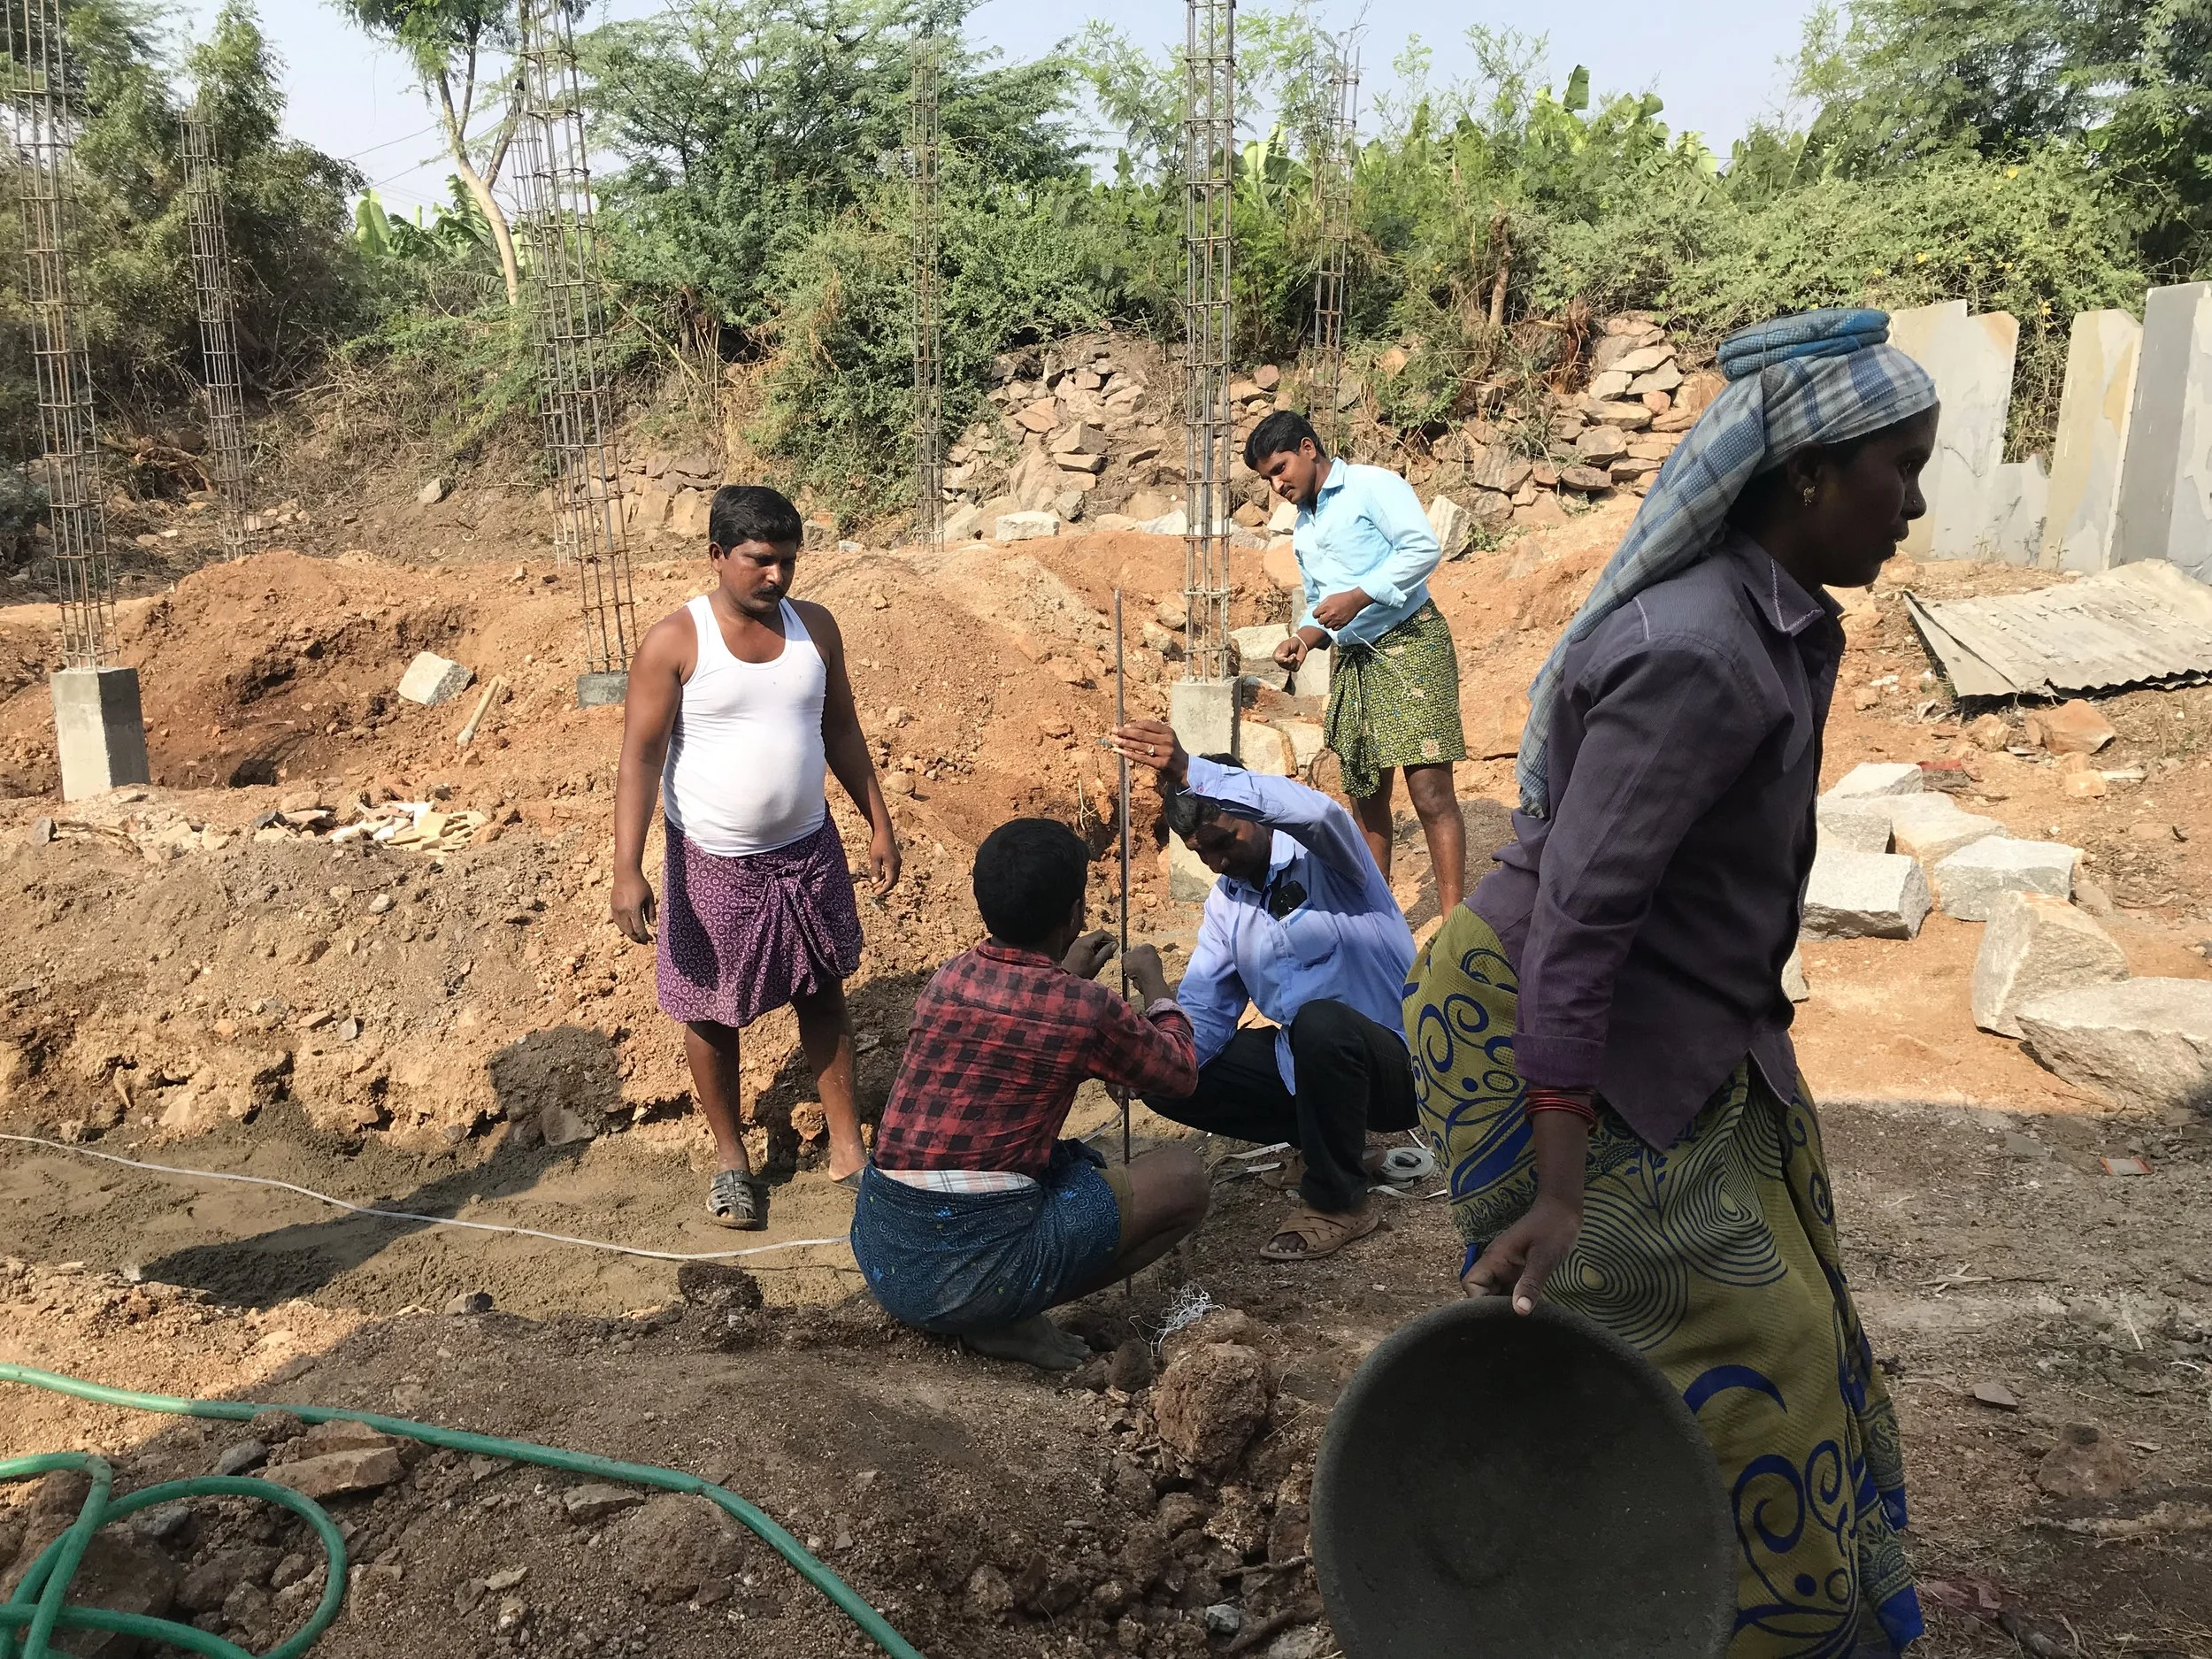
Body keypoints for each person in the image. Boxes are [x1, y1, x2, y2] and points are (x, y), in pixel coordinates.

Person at [1401, 309, 1936, 1656]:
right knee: (1724, 1343)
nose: (1915, 505)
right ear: (1807, 475)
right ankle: (1667, 1612)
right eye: (1899, 468)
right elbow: (1581, 922)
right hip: (1545, 1012)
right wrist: (1566, 1182)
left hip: (1677, 1017)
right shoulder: (1700, 653)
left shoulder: (1771, 626)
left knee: (1791, 1315)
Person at [611, 483, 900, 1229]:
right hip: (713, 860)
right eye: (759, 561)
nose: (776, 576)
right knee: (711, 1012)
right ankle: (732, 1162)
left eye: (788, 562)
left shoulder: (818, 630)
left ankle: (848, 1147)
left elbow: (842, 730)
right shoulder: (676, 641)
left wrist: (879, 820)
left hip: (808, 851)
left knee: (823, 989)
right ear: (717, 556)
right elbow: (639, 759)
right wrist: (627, 865)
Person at [851, 818, 1208, 1371]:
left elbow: (1021, 1018)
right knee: (1184, 1178)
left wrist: (1067, 974)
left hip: (886, 1255)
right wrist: (1155, 986)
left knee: (1080, 1165)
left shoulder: (949, 979)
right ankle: (1002, 1315)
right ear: (1073, 915)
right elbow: (1180, 1072)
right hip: (968, 1276)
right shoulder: (1085, 1009)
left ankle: (994, 1305)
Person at [1112, 717, 1417, 1263]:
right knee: (1171, 1075)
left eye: (1223, 843)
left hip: (1395, 1068)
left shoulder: (1331, 859)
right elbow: (1206, 1010)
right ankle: (1325, 1149)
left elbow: (1318, 812)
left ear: (1252, 817)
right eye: (1200, 852)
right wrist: (1148, 1059)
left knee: (1321, 1024)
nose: (1216, 862)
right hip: (1307, 1070)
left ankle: (1336, 1201)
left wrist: (1189, 770)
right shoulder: (1226, 903)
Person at [1245, 410, 1468, 907]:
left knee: (1430, 793)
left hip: (1411, 643)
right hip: (1355, 660)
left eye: (1280, 469)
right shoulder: (1304, 528)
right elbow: (1323, 605)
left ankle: (1455, 922)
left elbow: (1421, 549)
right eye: (1267, 479)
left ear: (1308, 448)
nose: (1277, 485)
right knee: (1366, 797)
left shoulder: (1373, 485)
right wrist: (1303, 640)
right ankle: (1378, 912)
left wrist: (1360, 597)